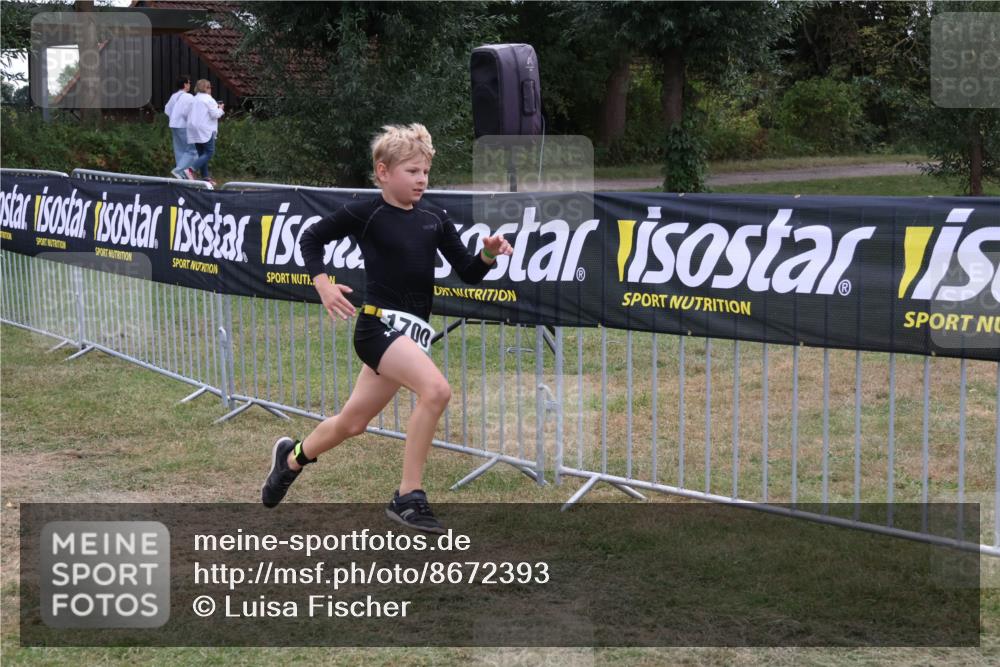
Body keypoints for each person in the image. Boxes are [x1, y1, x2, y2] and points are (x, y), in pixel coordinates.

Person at [260, 123, 513, 534]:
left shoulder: (435, 217)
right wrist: (322, 285)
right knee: (436, 391)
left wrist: (486, 254)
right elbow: (311, 239)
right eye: (412, 171)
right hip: (376, 329)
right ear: (383, 172)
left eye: (425, 172)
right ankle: (408, 496)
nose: (421, 180)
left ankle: (291, 459)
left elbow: (468, 272)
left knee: (352, 423)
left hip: (412, 335)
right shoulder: (368, 212)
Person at [185, 79, 224, 185]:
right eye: (210, 87)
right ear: (206, 88)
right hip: (205, 128)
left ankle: (205, 177)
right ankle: (190, 170)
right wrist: (220, 109)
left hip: (193, 128)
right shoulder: (208, 99)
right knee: (209, 152)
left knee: (202, 154)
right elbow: (215, 114)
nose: (211, 89)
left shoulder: (193, 99)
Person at [165, 75, 196, 180]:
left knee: (180, 150)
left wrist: (173, 118)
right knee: (192, 150)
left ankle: (182, 175)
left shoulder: (174, 96)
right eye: (189, 83)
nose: (190, 85)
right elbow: (188, 112)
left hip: (174, 125)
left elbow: (167, 109)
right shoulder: (189, 97)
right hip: (184, 126)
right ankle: (179, 170)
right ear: (185, 85)